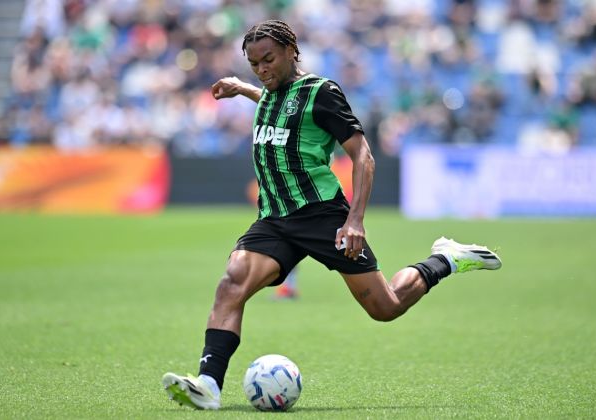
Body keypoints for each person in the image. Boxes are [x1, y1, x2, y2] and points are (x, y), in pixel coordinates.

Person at [162, 20, 502, 410]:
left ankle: (445, 258)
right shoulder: (272, 91)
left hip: (324, 216)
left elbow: (363, 155)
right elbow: (283, 109)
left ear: (292, 50)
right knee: (232, 281)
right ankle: (208, 385)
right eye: (254, 64)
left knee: (385, 307)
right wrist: (244, 90)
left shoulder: (323, 93)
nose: (262, 69)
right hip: (274, 218)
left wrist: (354, 220)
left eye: (268, 59)